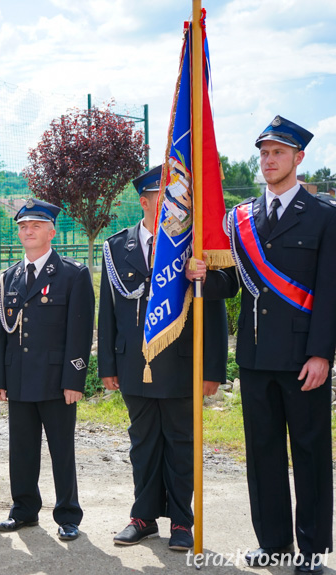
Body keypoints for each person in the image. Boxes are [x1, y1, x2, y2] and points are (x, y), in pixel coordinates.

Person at [189, 116, 335, 574]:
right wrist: (203, 278)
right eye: (264, 153)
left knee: (310, 455)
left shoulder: (325, 217)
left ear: (298, 158)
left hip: (301, 359)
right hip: (252, 357)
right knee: (263, 454)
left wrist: (322, 354)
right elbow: (232, 283)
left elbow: (330, 291)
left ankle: (312, 551)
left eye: (278, 153)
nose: (269, 161)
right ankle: (273, 542)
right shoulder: (241, 218)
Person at [98, 165, 227, 552]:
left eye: (176, 199)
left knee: (180, 443)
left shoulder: (193, 245)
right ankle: (143, 517)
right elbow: (107, 313)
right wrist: (107, 365)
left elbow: (215, 311)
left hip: (182, 365)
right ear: (145, 201)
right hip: (134, 363)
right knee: (143, 443)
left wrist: (213, 368)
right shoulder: (117, 246)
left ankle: (182, 523)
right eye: (162, 198)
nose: (171, 205)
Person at [0, 198, 94, 541]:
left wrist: (74, 379)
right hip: (18, 378)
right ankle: (23, 509)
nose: (28, 231)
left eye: (35, 225)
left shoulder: (72, 274)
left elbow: (79, 334)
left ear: (52, 231)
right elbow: (1, 333)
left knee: (61, 450)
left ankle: (67, 515)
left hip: (55, 380)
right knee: (21, 449)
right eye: (22, 226)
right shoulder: (9, 277)